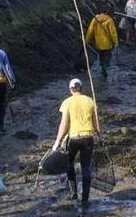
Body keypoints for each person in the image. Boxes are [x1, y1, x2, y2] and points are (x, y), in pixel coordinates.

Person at [52, 78, 100, 210]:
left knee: (69, 164)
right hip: (88, 138)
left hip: (73, 139)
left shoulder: (67, 102)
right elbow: (95, 124)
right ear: (81, 88)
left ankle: (73, 193)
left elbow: (64, 124)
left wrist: (57, 142)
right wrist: (98, 131)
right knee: (85, 167)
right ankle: (85, 198)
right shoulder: (90, 101)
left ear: (70, 89)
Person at [85, 12, 119, 78]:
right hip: (108, 44)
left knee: (101, 56)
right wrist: (116, 42)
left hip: (98, 44)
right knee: (108, 56)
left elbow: (90, 31)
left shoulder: (95, 19)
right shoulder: (109, 20)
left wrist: (87, 40)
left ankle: (102, 66)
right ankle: (106, 67)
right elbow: (113, 32)